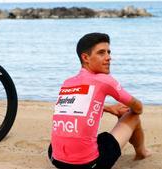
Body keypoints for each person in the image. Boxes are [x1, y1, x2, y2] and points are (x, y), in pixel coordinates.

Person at [48, 33, 151, 169]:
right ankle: (142, 152)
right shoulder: (104, 80)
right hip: (90, 165)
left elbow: (78, 110)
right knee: (133, 116)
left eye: (109, 52)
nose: (108, 57)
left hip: (55, 159)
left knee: (77, 134)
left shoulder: (68, 83)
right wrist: (128, 112)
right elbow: (138, 107)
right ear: (85, 58)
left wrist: (108, 108)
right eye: (101, 53)